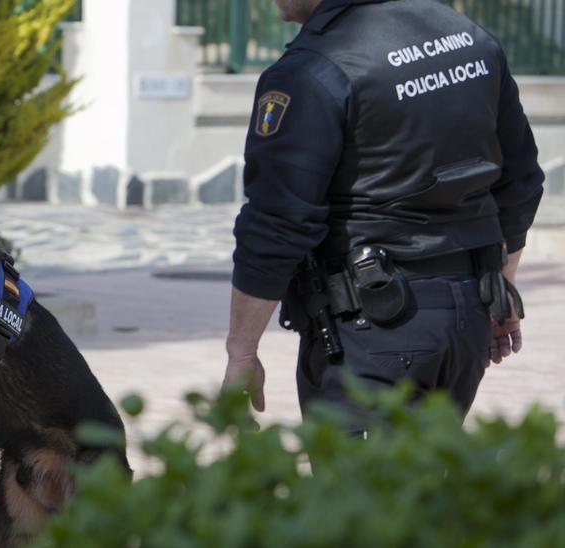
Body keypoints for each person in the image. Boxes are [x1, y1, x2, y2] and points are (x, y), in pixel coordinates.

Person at [220, 0, 544, 432]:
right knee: (427, 489)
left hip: (372, 329)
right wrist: (502, 286)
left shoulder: (313, 69)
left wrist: (242, 352)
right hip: (466, 319)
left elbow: (278, 221)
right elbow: (520, 180)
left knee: (359, 496)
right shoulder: (466, 37)